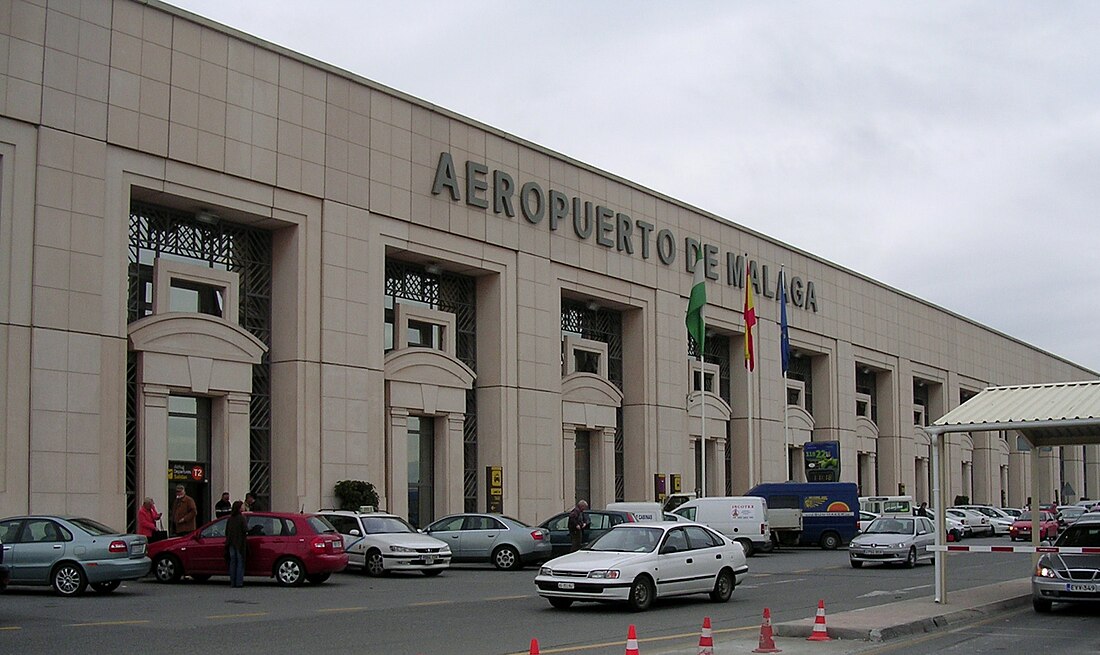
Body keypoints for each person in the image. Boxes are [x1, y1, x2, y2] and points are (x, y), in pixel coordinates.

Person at [224, 500, 248, 588]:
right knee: (240, 562)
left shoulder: (230, 519)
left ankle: (232, 582)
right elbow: (245, 530)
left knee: (232, 562)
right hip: (240, 543)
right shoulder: (242, 518)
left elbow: (226, 531)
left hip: (230, 543)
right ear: (239, 508)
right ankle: (239, 582)